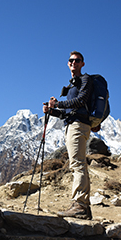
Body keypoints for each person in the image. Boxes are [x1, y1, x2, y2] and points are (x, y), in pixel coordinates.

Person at [43, 51, 93, 219]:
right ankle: (84, 208)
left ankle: (79, 205)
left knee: (78, 164)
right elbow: (66, 112)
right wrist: (52, 110)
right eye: (71, 60)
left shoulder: (85, 80)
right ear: (68, 63)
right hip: (72, 124)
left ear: (82, 63)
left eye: (77, 60)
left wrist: (57, 103)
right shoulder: (71, 85)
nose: (74, 63)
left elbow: (81, 101)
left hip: (79, 125)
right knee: (77, 164)